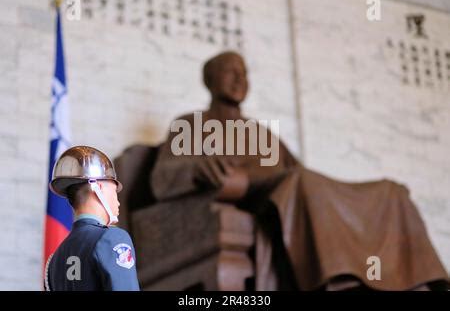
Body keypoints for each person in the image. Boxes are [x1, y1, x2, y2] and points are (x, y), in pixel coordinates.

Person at [151, 51, 449, 290]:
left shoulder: (263, 134)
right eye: (232, 71)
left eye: (245, 73)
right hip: (244, 195)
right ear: (211, 80)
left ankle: (421, 281)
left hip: (288, 189)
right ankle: (337, 281)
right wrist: (196, 167)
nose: (241, 79)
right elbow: (161, 179)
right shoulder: (190, 124)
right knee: (300, 182)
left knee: (390, 191)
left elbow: (308, 182)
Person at [44, 145, 140, 291]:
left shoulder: (55, 258)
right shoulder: (112, 238)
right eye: (115, 191)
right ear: (99, 188)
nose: (118, 202)